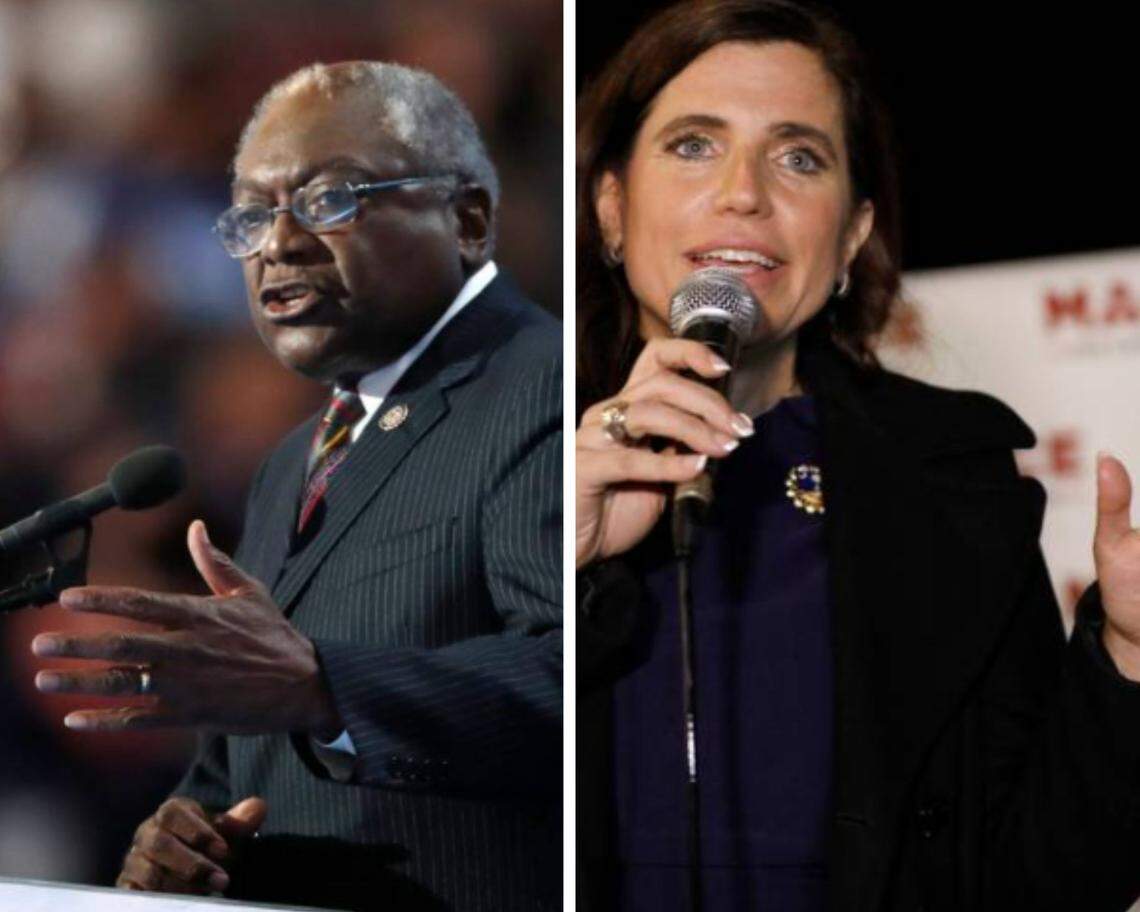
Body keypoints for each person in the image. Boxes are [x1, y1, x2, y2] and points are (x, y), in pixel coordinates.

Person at [576, 2, 1140, 910]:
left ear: (849, 237)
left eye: (800, 156)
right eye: (692, 145)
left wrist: (1130, 652)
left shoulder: (956, 480)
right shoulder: (514, 455)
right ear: (610, 207)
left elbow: (1047, 882)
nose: (744, 192)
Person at [30, 61, 562, 912]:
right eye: (251, 214)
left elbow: (581, 691)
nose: (277, 244)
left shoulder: (550, 390)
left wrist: (323, 686)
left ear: (466, 220)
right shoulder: (294, 460)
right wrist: (185, 832)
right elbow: (257, 731)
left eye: (332, 200)